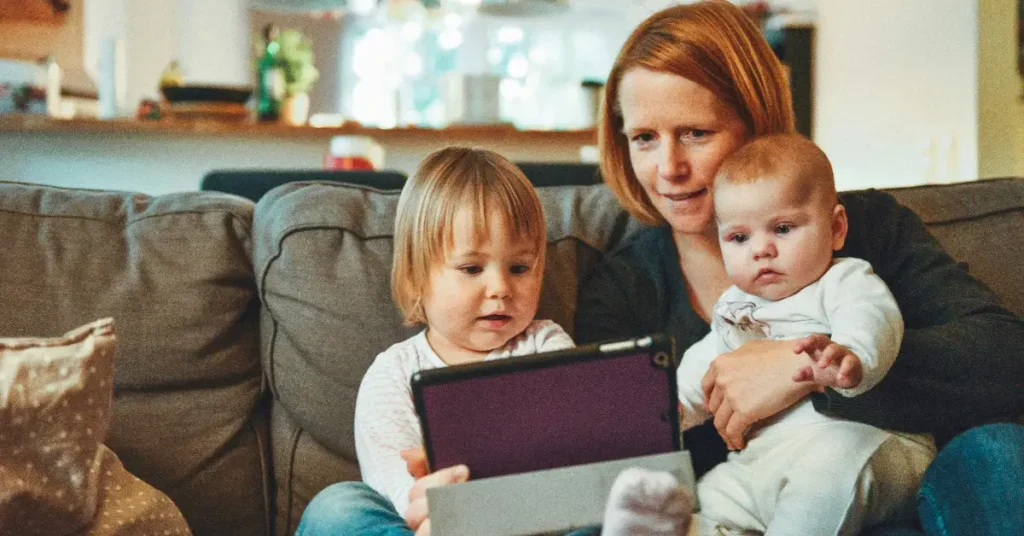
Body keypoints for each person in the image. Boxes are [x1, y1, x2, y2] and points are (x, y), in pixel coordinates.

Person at [574, 1, 1024, 534]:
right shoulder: (622, 288)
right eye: (644, 138)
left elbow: (1006, 358)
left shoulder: (866, 228)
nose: (668, 168)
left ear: (755, 124)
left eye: (696, 132)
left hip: (901, 491)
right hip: (741, 509)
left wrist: (803, 370)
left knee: (998, 451)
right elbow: (615, 454)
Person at [296, 146, 692, 536]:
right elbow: (396, 487)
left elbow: (575, 450)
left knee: (612, 499)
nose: (500, 288)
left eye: (519, 268)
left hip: (541, 523)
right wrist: (434, 509)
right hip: (437, 527)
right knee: (338, 507)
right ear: (416, 276)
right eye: (472, 268)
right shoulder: (393, 373)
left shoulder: (546, 345)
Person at [674, 133, 934, 534]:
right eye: (740, 237)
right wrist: (671, 407)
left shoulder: (843, 279)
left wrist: (852, 355)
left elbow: (871, 315)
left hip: (865, 445)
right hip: (765, 461)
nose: (761, 250)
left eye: (782, 228)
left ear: (835, 228)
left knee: (826, 474)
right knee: (710, 497)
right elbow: (709, 363)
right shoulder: (735, 306)